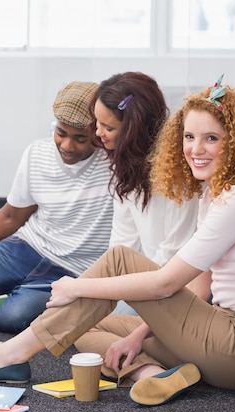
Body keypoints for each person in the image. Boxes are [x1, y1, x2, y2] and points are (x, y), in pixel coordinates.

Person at [0, 75, 235, 407]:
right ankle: (151, 374)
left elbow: (167, 282)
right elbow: (201, 284)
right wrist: (138, 335)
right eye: (189, 137)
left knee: (119, 261)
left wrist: (79, 288)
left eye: (211, 138)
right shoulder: (214, 193)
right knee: (87, 330)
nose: (195, 149)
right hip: (224, 335)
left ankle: (10, 355)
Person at [0, 81, 115, 333]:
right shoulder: (37, 152)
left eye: (80, 138)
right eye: (61, 133)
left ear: (99, 133)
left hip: (73, 269)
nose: (67, 146)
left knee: (11, 318)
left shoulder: (116, 164)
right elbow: (10, 217)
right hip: (23, 248)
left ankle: (0, 297)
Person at [87, 72, 199, 316]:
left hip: (175, 286)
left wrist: (123, 289)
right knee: (83, 313)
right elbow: (120, 245)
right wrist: (103, 286)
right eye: (97, 123)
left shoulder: (178, 175)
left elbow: (173, 254)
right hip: (144, 281)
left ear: (133, 129)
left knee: (90, 321)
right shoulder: (126, 170)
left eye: (108, 127)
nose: (98, 133)